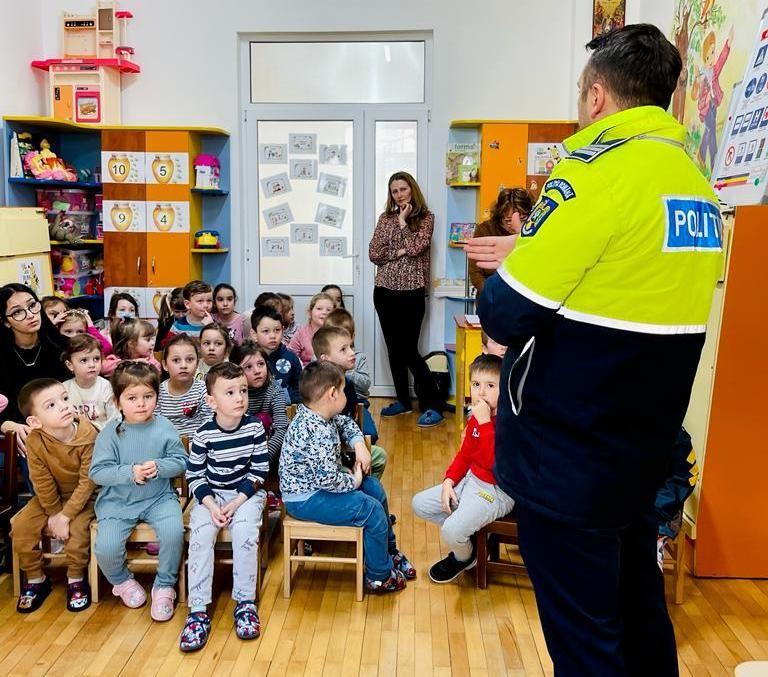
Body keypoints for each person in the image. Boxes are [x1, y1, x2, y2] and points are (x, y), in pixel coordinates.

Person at [476, 25, 724, 675]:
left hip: (569, 458)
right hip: (641, 453)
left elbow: (503, 310)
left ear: (596, 97)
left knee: (586, 641)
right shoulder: (696, 187)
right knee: (640, 615)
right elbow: (622, 283)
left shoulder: (594, 176)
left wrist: (524, 254)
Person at [279, 361, 415, 593]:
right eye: (343, 391)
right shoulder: (316, 431)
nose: (345, 395)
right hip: (305, 498)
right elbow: (328, 480)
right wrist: (354, 481)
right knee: (371, 510)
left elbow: (345, 422)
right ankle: (379, 577)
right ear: (332, 394)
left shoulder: (319, 414)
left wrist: (359, 444)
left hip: (319, 490)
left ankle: (388, 552)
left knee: (374, 489)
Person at [180, 362, 269, 651]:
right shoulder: (204, 434)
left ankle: (245, 602)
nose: (240, 398)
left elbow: (259, 471)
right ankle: (197, 610)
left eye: (243, 390)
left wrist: (237, 501)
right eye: (230, 392)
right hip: (211, 496)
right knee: (200, 536)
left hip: (245, 495)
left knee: (244, 533)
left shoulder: (254, 427)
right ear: (211, 401)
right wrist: (210, 505)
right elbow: (195, 476)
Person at [90, 361, 186, 620]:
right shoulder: (110, 433)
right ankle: (122, 581)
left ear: (157, 397)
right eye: (132, 398)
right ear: (118, 402)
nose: (141, 404)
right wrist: (129, 472)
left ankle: (164, 585)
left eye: (148, 396)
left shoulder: (165, 427)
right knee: (106, 547)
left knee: (173, 533)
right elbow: (98, 472)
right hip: (117, 502)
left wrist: (160, 467)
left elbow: (181, 461)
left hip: (159, 498)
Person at [412, 354, 513, 583]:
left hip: (495, 491)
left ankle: (465, 557)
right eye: (476, 384)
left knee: (451, 530)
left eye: (490, 386)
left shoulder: (507, 423)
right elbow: (465, 455)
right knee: (419, 504)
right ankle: (469, 535)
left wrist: (485, 423)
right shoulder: (476, 417)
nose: (481, 392)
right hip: (471, 481)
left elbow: (494, 465)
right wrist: (449, 481)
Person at [11, 378, 98, 613]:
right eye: (51, 405)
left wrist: (65, 516)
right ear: (34, 421)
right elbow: (41, 481)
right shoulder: (35, 440)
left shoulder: (88, 434)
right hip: (50, 498)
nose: (63, 406)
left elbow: (88, 481)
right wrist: (54, 513)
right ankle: (36, 578)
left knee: (77, 531)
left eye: (65, 398)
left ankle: (76, 578)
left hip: (85, 497)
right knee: (21, 527)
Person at [368, 171, 444, 428]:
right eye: (394, 191)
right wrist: (398, 252)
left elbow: (415, 248)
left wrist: (402, 222)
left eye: (403, 189)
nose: (399, 195)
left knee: (409, 350)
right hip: (384, 292)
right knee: (393, 349)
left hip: (412, 293)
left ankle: (433, 404)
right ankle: (403, 400)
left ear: (412, 189)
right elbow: (374, 254)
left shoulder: (426, 218)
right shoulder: (384, 218)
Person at [0, 284, 70, 455]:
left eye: (32, 305)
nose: (30, 314)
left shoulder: (62, 347)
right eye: (17, 312)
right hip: (23, 434)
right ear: (6, 322)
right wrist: (5, 424)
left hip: (64, 425)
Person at [312, 326, 387, 479]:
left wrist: (357, 444)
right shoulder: (317, 390)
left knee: (379, 456)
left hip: (347, 449)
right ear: (325, 359)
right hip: (326, 459)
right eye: (344, 349)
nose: (352, 353)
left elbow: (348, 420)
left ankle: (362, 484)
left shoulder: (348, 384)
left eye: (351, 347)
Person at [229, 341, 288, 473]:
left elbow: (281, 429)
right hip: (240, 453)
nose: (257, 371)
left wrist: (263, 458)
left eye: (261, 364)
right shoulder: (233, 394)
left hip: (270, 453)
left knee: (263, 419)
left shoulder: (274, 390)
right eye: (248, 367)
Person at [468, 188, 533, 296]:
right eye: (508, 220)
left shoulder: (533, 232)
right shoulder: (484, 230)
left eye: (522, 219)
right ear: (500, 215)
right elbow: (475, 273)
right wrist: (492, 295)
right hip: (491, 297)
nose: (514, 223)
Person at [62, 334, 119, 431]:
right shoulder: (64, 389)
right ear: (70, 365)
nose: (92, 365)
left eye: (96, 359)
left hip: (102, 434)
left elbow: (114, 420)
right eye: (84, 360)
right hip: (75, 436)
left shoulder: (107, 387)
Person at [157, 334, 211, 435]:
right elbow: (155, 425)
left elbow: (208, 421)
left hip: (198, 441)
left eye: (190, 360)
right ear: (165, 365)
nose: (183, 365)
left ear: (197, 363)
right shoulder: (158, 392)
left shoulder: (203, 389)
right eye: (176, 360)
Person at [251, 306, 302, 404]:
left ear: (283, 330)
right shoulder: (248, 358)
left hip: (286, 409)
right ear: (254, 334)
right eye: (266, 331)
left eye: (277, 330)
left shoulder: (291, 358)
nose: (273, 336)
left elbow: (300, 389)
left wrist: (284, 397)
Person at [324, 308, 371, 402]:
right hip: (331, 401)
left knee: (365, 413)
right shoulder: (323, 356)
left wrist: (348, 371)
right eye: (334, 336)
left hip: (358, 401)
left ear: (352, 337)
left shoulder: (359, 357)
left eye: (344, 336)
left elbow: (365, 385)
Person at [287, 292, 334, 367]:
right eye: (319, 309)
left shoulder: (336, 334)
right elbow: (290, 358)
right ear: (310, 312)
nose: (324, 312)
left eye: (328, 310)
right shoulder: (301, 334)